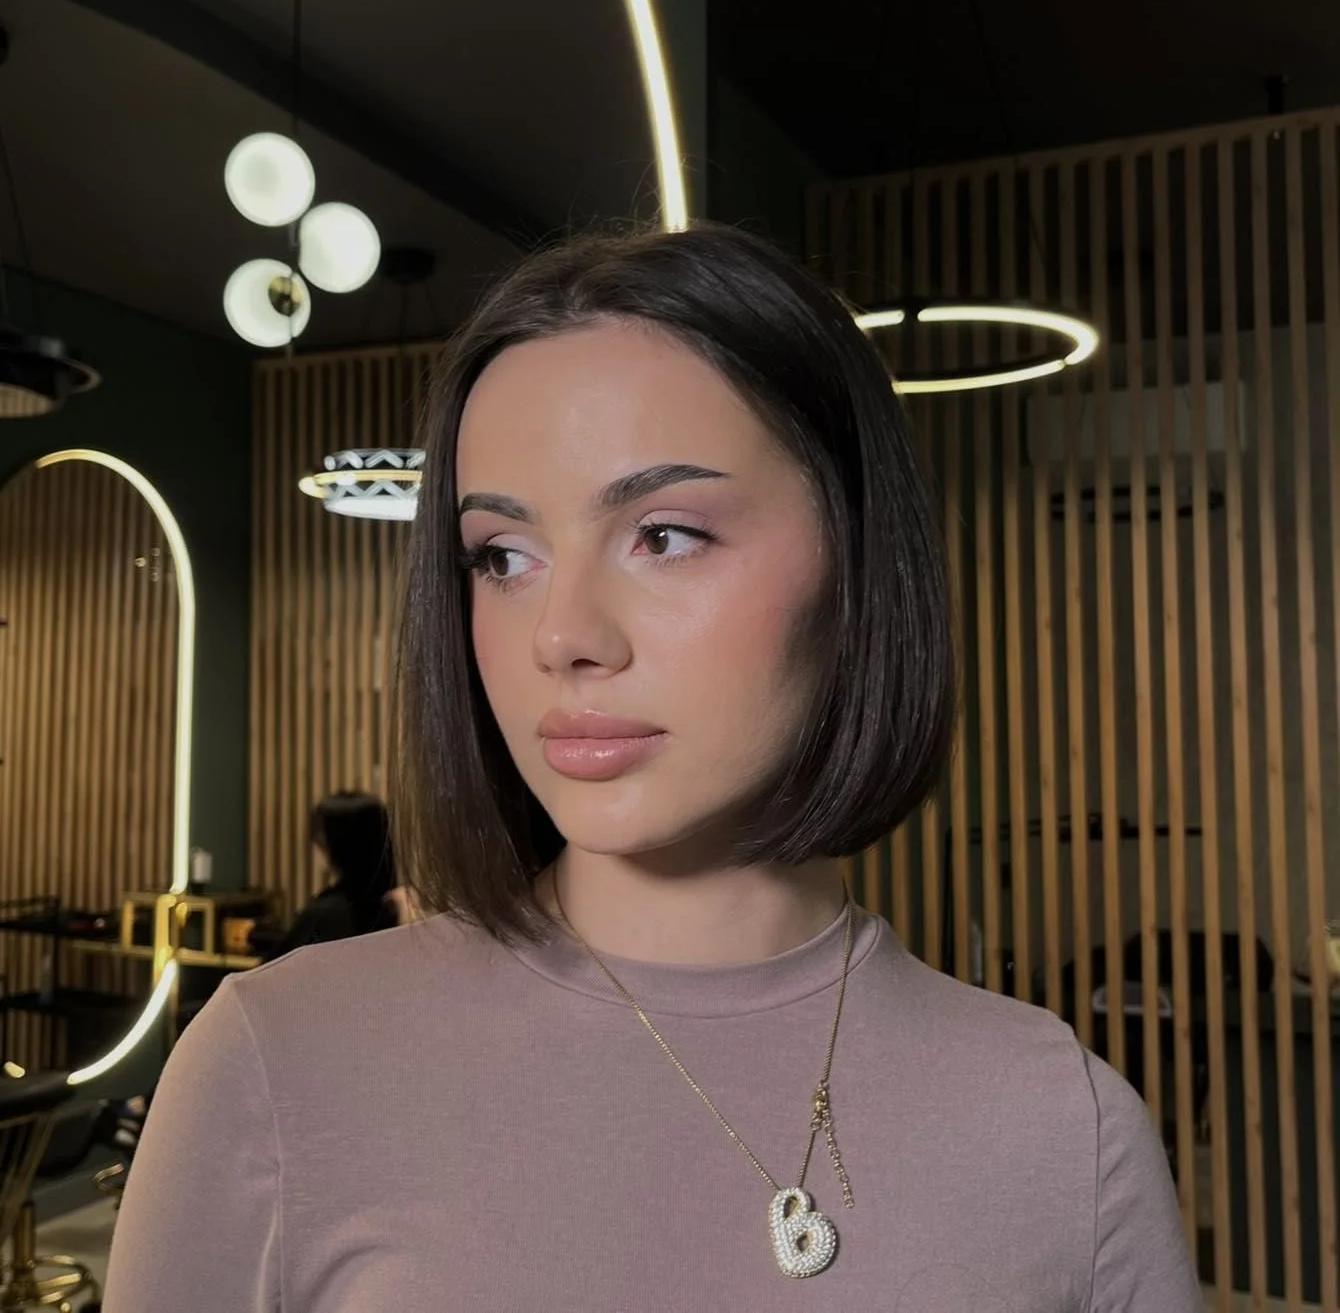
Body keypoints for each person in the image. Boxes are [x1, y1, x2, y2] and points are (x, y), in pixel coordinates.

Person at [104, 224, 1199, 1311]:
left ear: (857, 562)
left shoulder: (1061, 1125)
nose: (560, 634)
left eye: (662, 534)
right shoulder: (280, 1070)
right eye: (501, 555)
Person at [249, 791, 398, 961]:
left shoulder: (325, 915)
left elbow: (270, 972)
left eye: (321, 837)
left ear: (338, 844)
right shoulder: (395, 908)